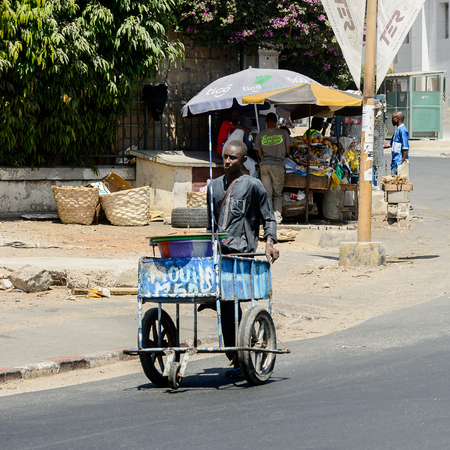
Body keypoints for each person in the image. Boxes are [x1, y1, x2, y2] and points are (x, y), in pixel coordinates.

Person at [204, 140, 279, 377]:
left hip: (242, 251)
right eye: (225, 157)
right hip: (220, 252)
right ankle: (235, 354)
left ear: (243, 160)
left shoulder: (253, 185)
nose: (227, 161)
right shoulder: (213, 187)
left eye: (232, 158)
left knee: (232, 303)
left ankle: (240, 355)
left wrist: (270, 242)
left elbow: (269, 218)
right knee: (225, 305)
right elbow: (210, 225)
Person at [254, 112, 292, 224]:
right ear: (276, 122)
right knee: (277, 194)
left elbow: (260, 154)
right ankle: (277, 218)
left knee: (267, 193)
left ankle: (267, 218)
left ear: (265, 122)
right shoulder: (283, 133)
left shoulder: (260, 135)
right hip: (278, 165)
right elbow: (288, 151)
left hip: (264, 165)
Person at [388, 111, 409, 176]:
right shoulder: (397, 130)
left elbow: (405, 148)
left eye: (392, 118)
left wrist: (402, 164)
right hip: (394, 162)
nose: (391, 120)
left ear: (397, 118)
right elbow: (390, 144)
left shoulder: (402, 130)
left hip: (398, 163)